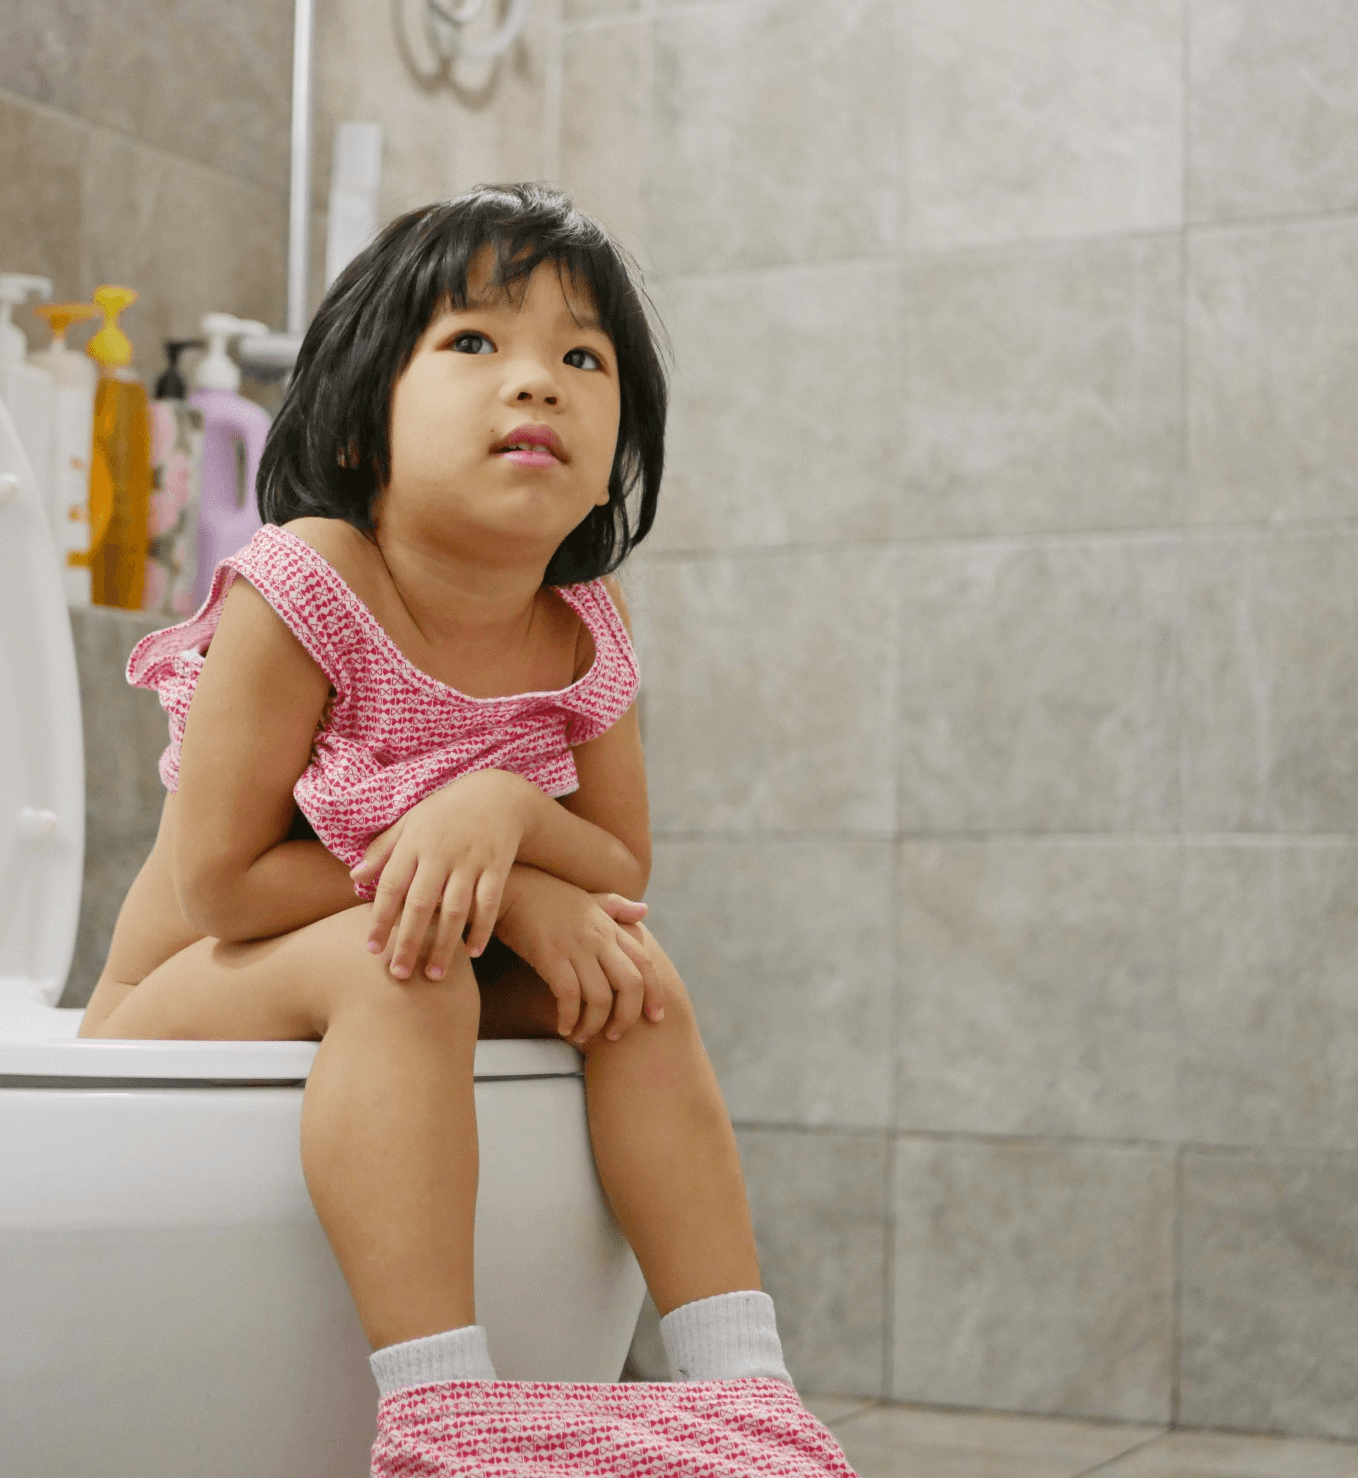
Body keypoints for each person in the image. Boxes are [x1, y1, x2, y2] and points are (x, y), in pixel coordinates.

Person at [81, 184, 853, 1476]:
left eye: (582, 356)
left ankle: (742, 1392)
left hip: (381, 945)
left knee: (630, 977)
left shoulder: (582, 621)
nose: (537, 381)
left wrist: (500, 809)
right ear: (366, 414)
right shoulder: (311, 580)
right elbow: (216, 881)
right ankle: (444, 1407)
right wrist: (502, 890)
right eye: (476, 343)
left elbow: (617, 866)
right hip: (186, 985)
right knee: (412, 962)